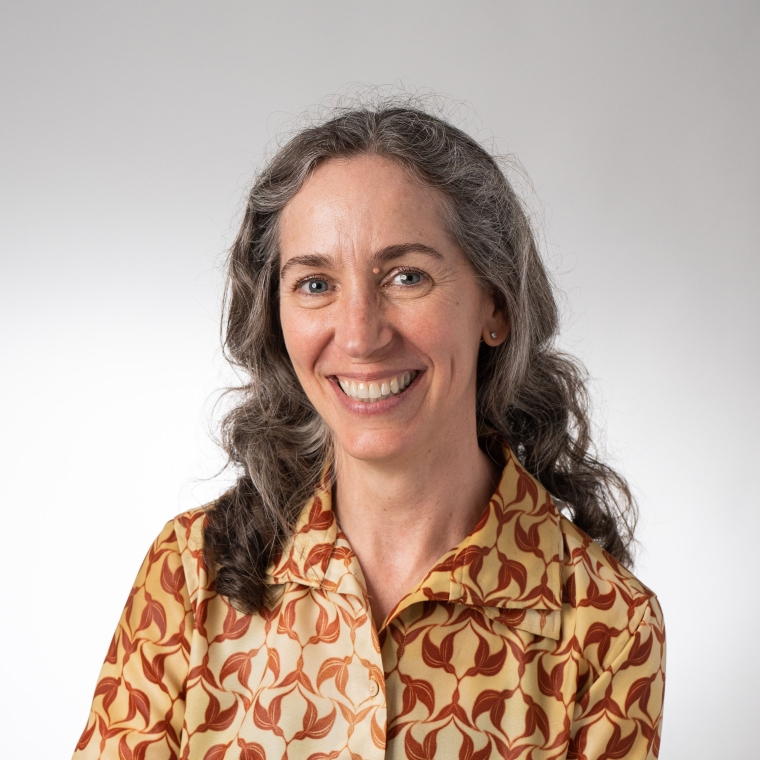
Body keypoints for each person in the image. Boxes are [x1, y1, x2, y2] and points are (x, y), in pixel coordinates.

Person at [73, 102, 665, 760]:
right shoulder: (189, 573)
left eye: (406, 276)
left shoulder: (606, 622)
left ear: (495, 305)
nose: (359, 334)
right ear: (276, 315)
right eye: (316, 283)